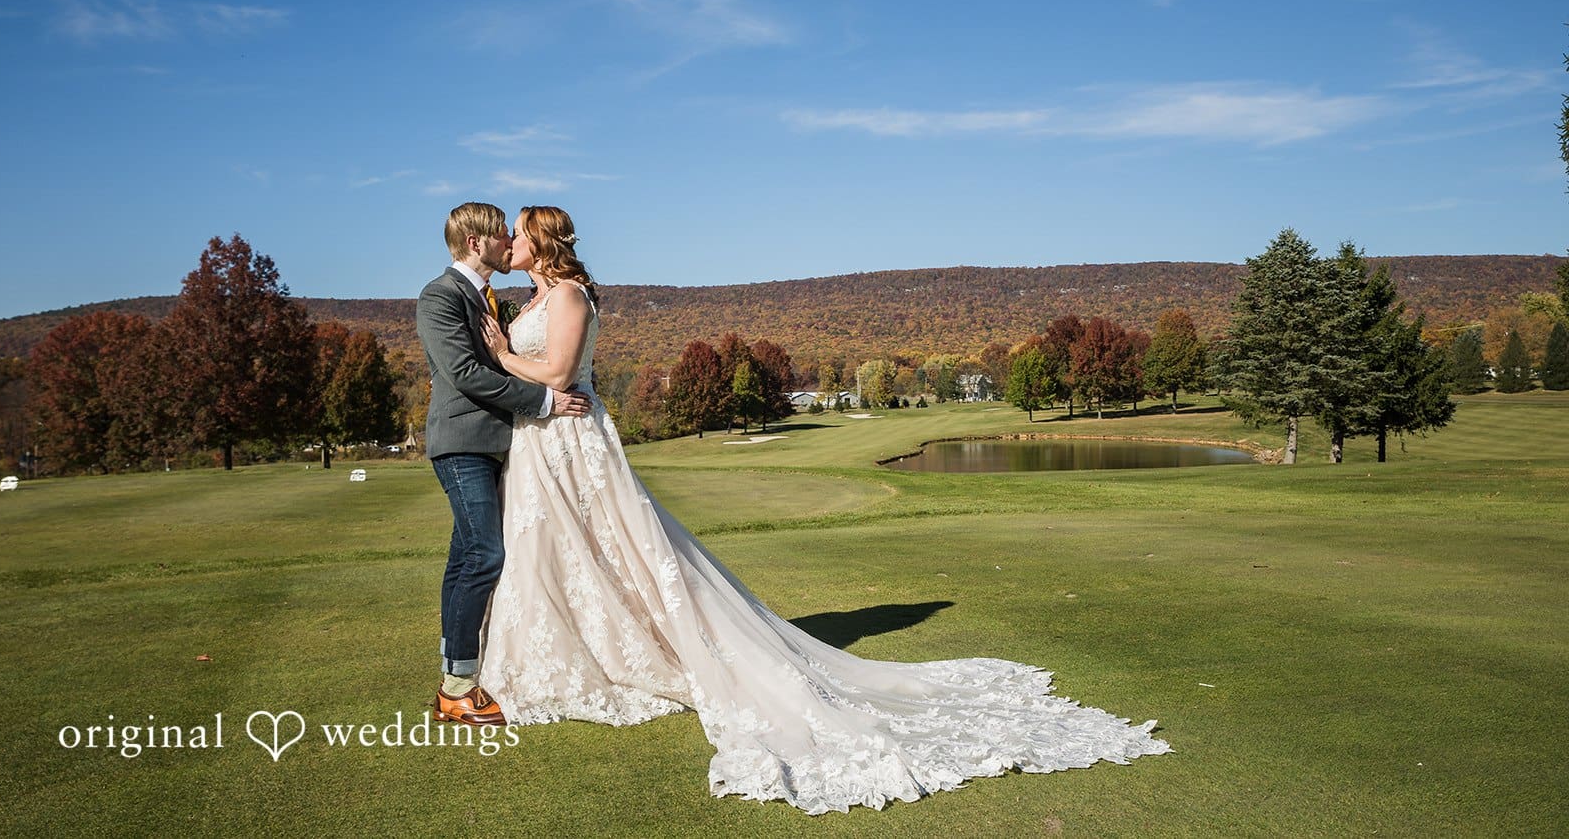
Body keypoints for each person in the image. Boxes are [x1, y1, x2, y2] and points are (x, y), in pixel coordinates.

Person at [476, 206, 1171, 814]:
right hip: (542, 445)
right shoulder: (532, 296)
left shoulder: (567, 294)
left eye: (517, 233)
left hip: (571, 440)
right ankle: (572, 654)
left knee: (622, 546)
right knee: (559, 553)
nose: (508, 240)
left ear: (542, 241)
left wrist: (504, 353)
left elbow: (561, 375)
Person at [415, 201, 590, 726]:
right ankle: (459, 686)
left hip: (499, 446)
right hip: (463, 443)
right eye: (501, 235)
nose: (508, 244)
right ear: (476, 243)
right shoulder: (440, 296)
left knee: (464, 557)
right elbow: (466, 373)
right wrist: (543, 403)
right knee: (486, 555)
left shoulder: (493, 299)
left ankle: (455, 675)